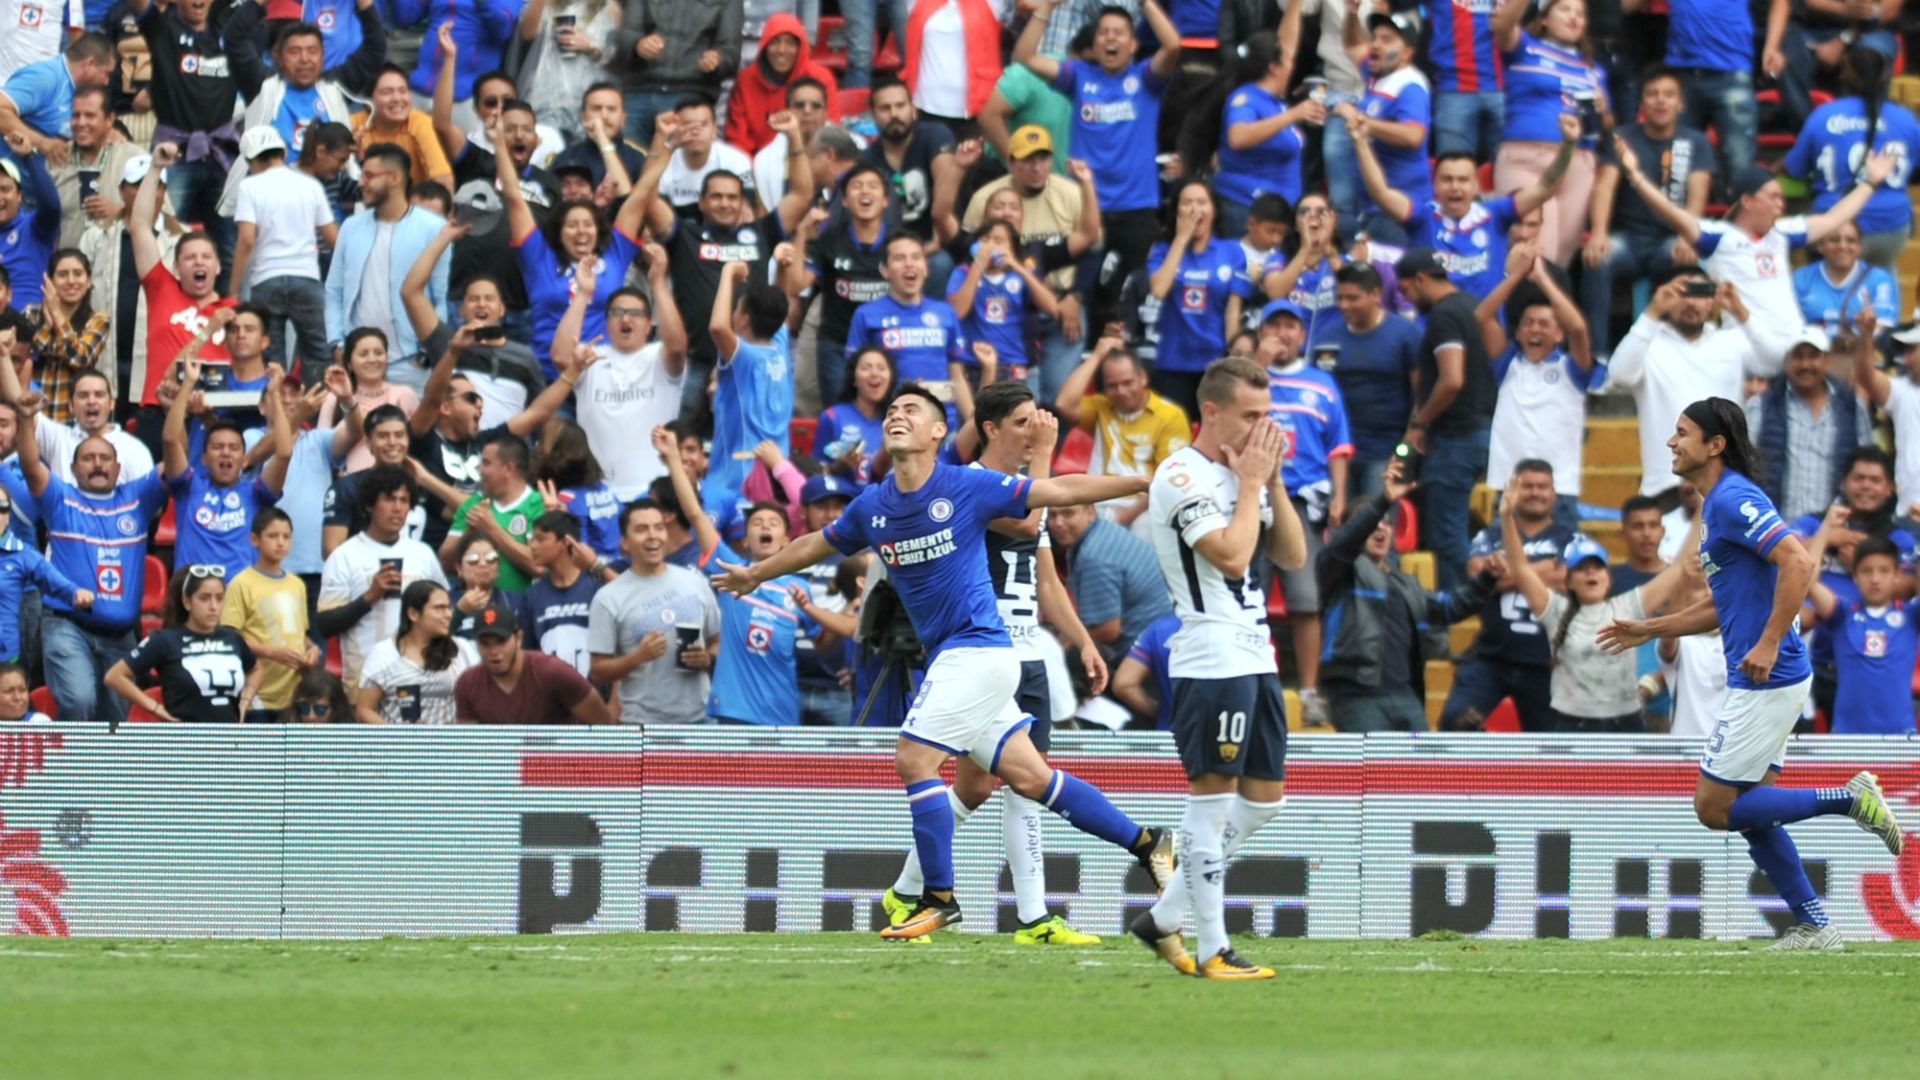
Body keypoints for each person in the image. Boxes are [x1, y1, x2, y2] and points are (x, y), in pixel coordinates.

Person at [712, 382, 1177, 939]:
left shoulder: (965, 485)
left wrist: (1142, 481)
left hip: (978, 650)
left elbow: (1057, 492)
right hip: (960, 661)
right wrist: (755, 573)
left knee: (913, 761)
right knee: (1031, 778)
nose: (897, 415)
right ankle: (1147, 842)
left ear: (939, 433)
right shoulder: (873, 506)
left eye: (912, 409)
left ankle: (937, 896)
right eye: (891, 410)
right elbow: (816, 542)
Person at [1598, 397, 1904, 951]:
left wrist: (1766, 642)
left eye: (1683, 432)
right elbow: (1728, 604)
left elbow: (1799, 561)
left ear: (1715, 445)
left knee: (1713, 808)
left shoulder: (1734, 498)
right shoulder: (1717, 504)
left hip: (1769, 674)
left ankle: (1850, 799)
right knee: (1751, 812)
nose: (1671, 442)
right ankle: (1816, 924)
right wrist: (1653, 627)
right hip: (1769, 675)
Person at [877, 383, 1111, 945]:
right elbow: (1027, 523)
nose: (1039, 428)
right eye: (1028, 421)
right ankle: (1026, 915)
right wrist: (1048, 459)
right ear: (995, 428)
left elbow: (1044, 575)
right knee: (1005, 784)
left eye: (1040, 420)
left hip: (1028, 651)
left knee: (999, 785)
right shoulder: (966, 488)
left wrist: (1081, 641)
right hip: (981, 650)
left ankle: (918, 894)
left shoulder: (1026, 492)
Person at [1133, 356, 1307, 980]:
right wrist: (1254, 484)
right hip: (1211, 655)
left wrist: (1273, 483)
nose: (1265, 428)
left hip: (1256, 650)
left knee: (1264, 801)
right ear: (1212, 411)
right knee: (1210, 808)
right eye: (1252, 416)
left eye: (1269, 415)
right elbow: (1232, 558)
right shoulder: (1182, 475)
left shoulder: (1250, 474)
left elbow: (1291, 554)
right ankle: (1212, 949)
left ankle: (1160, 918)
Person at [1614, 137, 1895, 366]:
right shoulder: (1718, 238)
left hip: (1794, 349)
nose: (1780, 205)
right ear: (1747, 201)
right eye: (1772, 197)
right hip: (1747, 353)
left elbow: (1834, 219)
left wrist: (1870, 182)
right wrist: (1636, 176)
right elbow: (1672, 213)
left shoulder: (1782, 234)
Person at [1014, 0, 1181, 330]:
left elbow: (1174, 46)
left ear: (1133, 44)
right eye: (1103, 33)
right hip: (1086, 210)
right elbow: (1024, 58)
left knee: (1132, 297)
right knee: (1084, 297)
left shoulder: (1145, 78)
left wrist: (1145, 2)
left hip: (1137, 208)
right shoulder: (1078, 76)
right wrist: (1045, 7)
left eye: (1119, 33)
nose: (1110, 39)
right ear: (1094, 44)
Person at [635, 110, 812, 415]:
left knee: (744, 446)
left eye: (732, 197)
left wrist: (794, 136)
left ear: (743, 203)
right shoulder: (685, 235)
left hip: (749, 359)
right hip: (694, 362)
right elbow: (647, 197)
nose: (725, 203)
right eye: (716, 197)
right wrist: (661, 142)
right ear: (701, 202)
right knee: (682, 443)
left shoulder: (762, 232)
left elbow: (802, 193)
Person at [13, 380, 168, 725]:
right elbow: (29, 466)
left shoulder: (137, 498)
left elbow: (174, 467)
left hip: (122, 635)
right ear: (73, 467)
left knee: (114, 724)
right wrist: (26, 420)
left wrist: (175, 413)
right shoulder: (59, 498)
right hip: (68, 626)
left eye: (104, 459)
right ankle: (70, 778)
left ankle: (97, 778)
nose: (97, 464)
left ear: (117, 468)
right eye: (88, 459)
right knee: (80, 700)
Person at [1499, 474, 1700, 733]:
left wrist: (1704, 507)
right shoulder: (1555, 610)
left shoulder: (1627, 606)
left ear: (1608, 577)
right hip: (1571, 724)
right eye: (1583, 569)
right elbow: (1520, 569)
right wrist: (1507, 518)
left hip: (1626, 723)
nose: (1591, 574)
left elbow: (1681, 566)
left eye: (1597, 568)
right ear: (1569, 581)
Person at [1317, 458, 1494, 731]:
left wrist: (1487, 578)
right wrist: (1381, 503)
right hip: (1357, 696)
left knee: (1419, 774)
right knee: (1375, 774)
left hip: (1407, 695)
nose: (1381, 527)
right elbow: (1344, 544)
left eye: (1387, 523)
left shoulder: (1408, 584)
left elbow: (1450, 608)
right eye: (1373, 522)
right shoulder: (1338, 569)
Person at [1602, 269, 1779, 498]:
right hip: (1664, 489)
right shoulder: (1649, 345)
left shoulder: (1732, 342)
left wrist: (1739, 310)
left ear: (1712, 301)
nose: (1691, 302)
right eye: (1682, 293)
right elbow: (1619, 374)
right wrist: (1653, 311)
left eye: (1700, 293)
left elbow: (1775, 362)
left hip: (1724, 487)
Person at [1580, 67, 1716, 356]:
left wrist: (1688, 237)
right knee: (1596, 260)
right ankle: (1597, 357)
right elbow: (1604, 187)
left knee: (1694, 265)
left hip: (1670, 240)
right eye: (1652, 94)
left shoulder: (1695, 142)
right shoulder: (1622, 137)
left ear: (1680, 103)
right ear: (1641, 103)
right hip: (1627, 240)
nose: (1660, 101)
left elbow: (1698, 195)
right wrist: (1599, 232)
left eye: (1668, 95)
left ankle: (1682, 354)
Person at [1441, 460, 1582, 731]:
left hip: (1547, 663)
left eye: (1543, 487)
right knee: (1455, 720)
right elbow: (1477, 576)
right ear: (1513, 491)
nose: (1535, 493)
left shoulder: (1571, 537)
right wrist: (1545, 567)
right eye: (1527, 486)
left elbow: (1568, 579)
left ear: (1554, 493)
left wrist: (1509, 571)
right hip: (1492, 657)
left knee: (1554, 747)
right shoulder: (1490, 535)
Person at [1396, 247, 1495, 589]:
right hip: (1480, 429)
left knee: (1447, 535)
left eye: (1405, 290)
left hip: (1456, 438)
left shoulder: (1445, 316)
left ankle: (1467, 610)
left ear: (1420, 280)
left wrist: (1421, 422)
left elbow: (1451, 379)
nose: (1406, 299)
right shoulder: (1471, 306)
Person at [1477, 244, 1595, 529]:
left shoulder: (1572, 369)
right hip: (1509, 485)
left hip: (1558, 489)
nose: (1535, 330)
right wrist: (1516, 276)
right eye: (1528, 323)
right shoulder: (1508, 365)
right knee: (1505, 568)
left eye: (1544, 324)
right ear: (1518, 331)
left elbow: (1578, 328)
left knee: (1558, 570)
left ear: (1558, 333)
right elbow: (1482, 316)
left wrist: (1543, 279)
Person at [1488, 0, 1607, 265]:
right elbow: (1502, 25)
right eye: (1565, 9)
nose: (1574, 17)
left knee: (1559, 262)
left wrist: (1603, 109)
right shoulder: (1524, 47)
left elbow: (1607, 124)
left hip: (1578, 165)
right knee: (1535, 254)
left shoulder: (1593, 69)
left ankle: (1547, 307)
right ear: (1543, 18)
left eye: (1580, 13)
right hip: (1526, 160)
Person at [324, 142, 450, 393]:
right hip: (360, 364)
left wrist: (432, 351)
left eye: (368, 175)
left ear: (394, 178)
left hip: (414, 363)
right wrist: (337, 344)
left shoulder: (434, 228)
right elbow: (333, 292)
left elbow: (442, 296)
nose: (361, 183)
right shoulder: (351, 227)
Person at [1779, 45, 1918, 269]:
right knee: (1881, 282)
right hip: (1891, 228)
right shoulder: (1906, 119)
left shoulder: (1824, 115)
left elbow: (1795, 169)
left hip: (1835, 229)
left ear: (1844, 76)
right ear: (1885, 77)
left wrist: (1777, 166)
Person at [314, 463, 449, 690]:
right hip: (364, 686)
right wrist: (369, 597)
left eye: (404, 500)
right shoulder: (344, 556)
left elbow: (445, 613)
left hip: (419, 684)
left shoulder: (423, 554)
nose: (397, 508)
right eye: (389, 499)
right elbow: (326, 625)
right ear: (369, 504)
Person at [588, 498, 720, 725]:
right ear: (624, 543)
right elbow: (598, 671)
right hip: (641, 725)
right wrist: (637, 657)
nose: (653, 536)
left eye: (659, 528)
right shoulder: (608, 597)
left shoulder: (696, 582)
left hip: (700, 719)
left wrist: (708, 658)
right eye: (641, 529)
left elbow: (717, 639)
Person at [162, 356, 293, 581]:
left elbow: (283, 453)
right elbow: (170, 440)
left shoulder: (254, 494)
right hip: (191, 598)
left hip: (239, 602)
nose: (225, 452)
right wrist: (188, 385)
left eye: (233, 448)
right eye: (217, 447)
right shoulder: (188, 487)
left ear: (244, 459)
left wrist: (273, 395)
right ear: (203, 458)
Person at [226, 127, 336, 378]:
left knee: (269, 354)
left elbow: (245, 241)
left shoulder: (249, 187)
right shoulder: (310, 185)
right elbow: (333, 239)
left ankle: (275, 410)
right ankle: (318, 411)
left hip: (266, 280)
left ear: (251, 161)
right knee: (319, 353)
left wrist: (233, 291)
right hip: (307, 278)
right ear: (284, 152)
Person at [1053, 339, 1190, 533]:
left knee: (1145, 526)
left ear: (1143, 377)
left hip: (1145, 508)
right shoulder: (1101, 407)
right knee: (1060, 519)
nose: (1121, 391)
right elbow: (1064, 404)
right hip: (1099, 503)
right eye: (1112, 385)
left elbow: (1166, 481)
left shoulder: (1171, 416)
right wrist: (1097, 356)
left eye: (1127, 383)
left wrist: (1122, 518)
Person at [1309, 262, 1417, 497]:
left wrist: (1406, 446)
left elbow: (1420, 394)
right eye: (1340, 298)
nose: (1344, 305)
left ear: (1376, 294)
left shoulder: (1405, 334)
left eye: (1353, 298)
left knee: (1377, 524)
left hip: (1385, 452)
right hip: (1336, 452)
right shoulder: (1326, 337)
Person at [1743, 328, 1873, 523]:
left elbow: (1865, 466)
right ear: (1787, 362)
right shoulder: (1761, 406)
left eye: (1813, 357)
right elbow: (1744, 469)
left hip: (1835, 531)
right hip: (1775, 531)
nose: (1805, 365)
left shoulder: (1851, 407)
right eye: (1798, 357)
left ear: (1827, 361)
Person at [105, 565, 263, 722]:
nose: (213, 606)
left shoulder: (233, 638)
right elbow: (114, 676)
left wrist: (245, 700)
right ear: (187, 602)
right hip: (184, 740)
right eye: (204, 598)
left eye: (219, 598)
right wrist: (155, 708)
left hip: (229, 739)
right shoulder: (165, 640)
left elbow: (256, 668)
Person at [1145, 180, 1251, 415]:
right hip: (1173, 363)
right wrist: (1181, 239)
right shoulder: (1163, 250)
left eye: (1202, 202)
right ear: (1177, 211)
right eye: (1187, 203)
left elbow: (1233, 312)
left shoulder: (1232, 252)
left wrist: (1234, 362)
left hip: (1215, 364)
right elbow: (1159, 289)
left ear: (1214, 210)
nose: (1195, 210)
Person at [1334, 6, 1430, 242]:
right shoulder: (1378, 74)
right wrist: (1352, 14)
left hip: (1401, 210)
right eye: (1374, 37)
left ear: (1407, 52)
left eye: (1386, 40)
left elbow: (1413, 135)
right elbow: (1353, 45)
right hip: (1373, 206)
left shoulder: (1410, 85)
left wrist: (1360, 119)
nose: (1375, 44)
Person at [1805, 536, 1919, 735]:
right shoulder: (1842, 614)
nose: (1875, 579)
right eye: (1867, 571)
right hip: (1847, 737)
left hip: (1901, 737)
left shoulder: (1911, 616)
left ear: (1896, 575)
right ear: (1855, 576)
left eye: (1884, 571)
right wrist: (1826, 532)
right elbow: (1806, 579)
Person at [1214, 29, 1318, 240]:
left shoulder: (1274, 101)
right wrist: (1291, 116)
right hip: (1246, 209)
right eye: (1288, 59)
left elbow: (1288, 40)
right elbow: (1238, 136)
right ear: (1274, 68)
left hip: (1277, 213)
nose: (1293, 63)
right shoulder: (1246, 98)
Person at [220, 505, 318, 721]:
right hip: (258, 693)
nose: (280, 542)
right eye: (272, 536)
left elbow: (298, 632)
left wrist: (311, 648)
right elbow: (230, 636)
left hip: (292, 692)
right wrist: (271, 652)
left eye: (286, 536)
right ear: (255, 540)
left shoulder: (297, 585)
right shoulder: (241, 583)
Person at [456, 599, 612, 724]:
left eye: (501, 641)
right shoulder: (468, 683)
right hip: (501, 761)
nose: (494, 651)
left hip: (556, 759)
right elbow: (469, 749)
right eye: (485, 643)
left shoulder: (554, 672)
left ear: (518, 639)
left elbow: (606, 726)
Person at [945, 219, 1060, 386]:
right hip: (973, 366)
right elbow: (957, 312)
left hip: (1012, 367)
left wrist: (1018, 267)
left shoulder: (1018, 277)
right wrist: (978, 265)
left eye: (998, 241)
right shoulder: (963, 273)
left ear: (1012, 248)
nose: (990, 245)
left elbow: (1052, 308)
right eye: (985, 239)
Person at [612, 0, 742, 147]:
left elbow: (731, 53)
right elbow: (625, 37)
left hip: (690, 93)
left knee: (681, 166)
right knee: (622, 164)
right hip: (640, 90)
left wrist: (717, 61)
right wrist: (637, 45)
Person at [356, 579, 477, 724]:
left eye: (449, 607)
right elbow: (364, 710)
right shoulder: (384, 654)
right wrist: (398, 736)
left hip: (448, 744)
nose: (449, 615)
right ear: (413, 614)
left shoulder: (461, 649)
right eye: (439, 608)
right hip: (398, 744)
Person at [441, 431, 546, 593]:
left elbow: (538, 566)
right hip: (474, 606)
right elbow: (445, 563)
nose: (479, 469)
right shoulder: (474, 504)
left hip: (520, 608)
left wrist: (492, 528)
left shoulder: (538, 505)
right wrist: (469, 531)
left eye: (486, 463)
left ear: (508, 469)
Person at [522, 509, 616, 679]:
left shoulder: (597, 586)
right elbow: (528, 655)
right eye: (532, 539)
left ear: (565, 543)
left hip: (597, 693)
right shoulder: (532, 595)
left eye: (540, 539)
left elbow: (632, 601)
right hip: (551, 697)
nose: (532, 545)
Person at [0, 487, 90, 664]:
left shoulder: (21, 553)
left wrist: (76, 593)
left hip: (4, 657)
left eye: (2, 507)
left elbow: (54, 581)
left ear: (9, 516)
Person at [517, 0, 624, 143]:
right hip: (548, 96)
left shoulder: (609, 7)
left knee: (583, 158)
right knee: (546, 152)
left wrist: (590, 46)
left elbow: (621, 59)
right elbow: (527, 33)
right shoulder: (547, 4)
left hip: (590, 99)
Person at [50, 87, 141, 252]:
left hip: (118, 267)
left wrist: (121, 211)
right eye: (76, 115)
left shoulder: (134, 159)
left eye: (90, 115)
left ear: (109, 119)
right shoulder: (57, 159)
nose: (81, 123)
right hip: (69, 269)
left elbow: (163, 218)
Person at [28, 249, 112, 424]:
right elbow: (30, 354)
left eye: (78, 274)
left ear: (88, 282)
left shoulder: (98, 320)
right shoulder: (32, 313)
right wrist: (46, 326)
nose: (71, 281)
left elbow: (80, 358)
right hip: (33, 417)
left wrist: (57, 316)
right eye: (63, 275)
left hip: (71, 421)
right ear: (49, 281)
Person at [1793, 221, 1899, 342]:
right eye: (1834, 240)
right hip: (1812, 353)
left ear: (1860, 247)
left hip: (1860, 353)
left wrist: (1866, 328)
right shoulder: (1801, 278)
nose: (1842, 246)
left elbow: (1883, 326)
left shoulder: (1879, 279)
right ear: (1820, 245)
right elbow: (1789, 324)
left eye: (1851, 240)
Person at [352, 65, 455, 189]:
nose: (397, 98)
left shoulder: (420, 122)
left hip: (414, 202)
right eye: (387, 92)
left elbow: (444, 180)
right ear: (369, 100)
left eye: (403, 91)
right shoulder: (354, 124)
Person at [815, 346, 893, 482]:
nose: (874, 373)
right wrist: (837, 468)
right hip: (844, 499)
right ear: (854, 378)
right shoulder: (832, 417)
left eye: (881, 368)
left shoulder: (896, 421)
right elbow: (816, 472)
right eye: (866, 368)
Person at [449, 533, 512, 639]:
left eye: (491, 558)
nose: (483, 564)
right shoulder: (445, 602)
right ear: (459, 568)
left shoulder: (514, 601)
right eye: (473, 560)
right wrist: (460, 611)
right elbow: (432, 641)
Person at [1611, 495, 1670, 593]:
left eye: (1653, 525)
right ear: (1623, 533)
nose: (1646, 533)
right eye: (1637, 526)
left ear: (1662, 532)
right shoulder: (1609, 581)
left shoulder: (1678, 578)